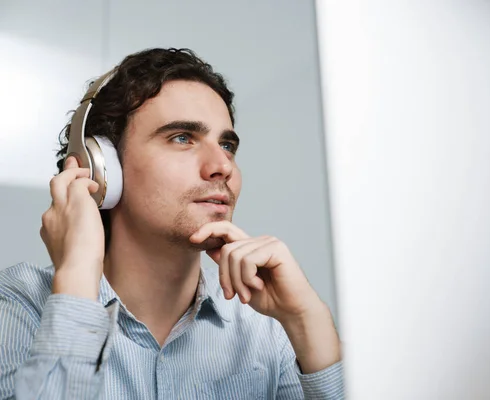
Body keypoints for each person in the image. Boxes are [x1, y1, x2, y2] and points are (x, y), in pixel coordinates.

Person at [0, 48, 344, 399]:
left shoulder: (267, 328)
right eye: (182, 138)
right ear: (103, 170)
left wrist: (305, 319)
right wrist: (75, 273)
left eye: (226, 145)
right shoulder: (18, 302)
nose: (222, 166)